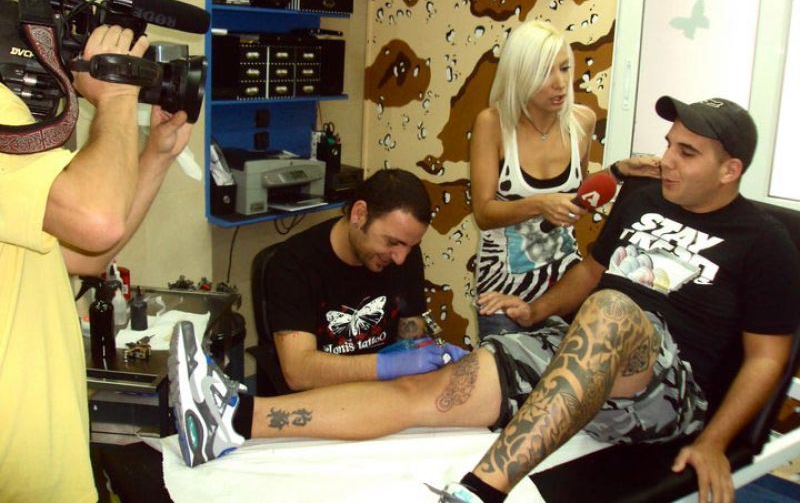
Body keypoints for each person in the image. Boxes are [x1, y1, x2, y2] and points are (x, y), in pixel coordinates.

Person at [170, 96, 800, 503]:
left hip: (665, 387)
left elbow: (767, 359)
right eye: (668, 144)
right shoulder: (641, 199)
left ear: (730, 169)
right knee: (429, 387)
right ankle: (235, 419)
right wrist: (535, 311)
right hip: (581, 354)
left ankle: (479, 492)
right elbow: (591, 272)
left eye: (686, 152)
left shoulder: (766, 241)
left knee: (614, 310)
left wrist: (715, 441)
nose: (666, 159)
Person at [0, 25, 192, 502]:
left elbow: (83, 255)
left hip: (44, 459)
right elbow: (97, 221)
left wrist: (156, 155)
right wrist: (117, 96)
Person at [471, 20, 660, 338]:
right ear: (520, 73)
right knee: (509, 369)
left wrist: (617, 171)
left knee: (575, 367)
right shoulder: (492, 124)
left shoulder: (582, 121)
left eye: (564, 68)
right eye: (546, 72)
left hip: (565, 280)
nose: (560, 83)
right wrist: (540, 204)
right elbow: (484, 213)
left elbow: (577, 195)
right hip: (503, 286)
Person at [264, 168, 466, 392]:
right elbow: (299, 372)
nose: (400, 258)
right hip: (322, 396)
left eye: (411, 246)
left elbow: (413, 330)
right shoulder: (293, 263)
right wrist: (386, 365)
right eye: (392, 242)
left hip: (383, 392)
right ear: (359, 214)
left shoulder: (404, 255)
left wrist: (437, 349)